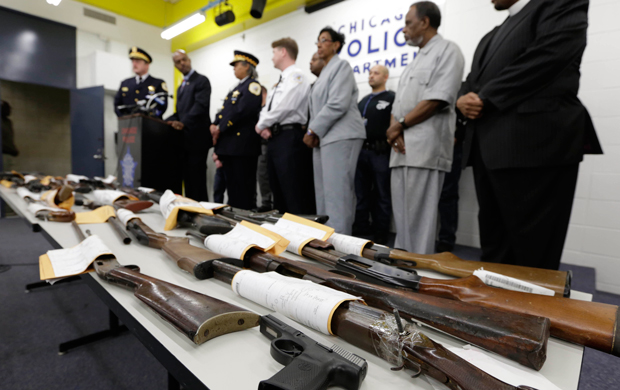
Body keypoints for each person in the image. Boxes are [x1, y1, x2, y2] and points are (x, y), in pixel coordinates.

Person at [456, 0, 602, 270]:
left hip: (536, 147)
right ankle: (493, 311)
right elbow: (470, 81)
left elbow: (548, 58)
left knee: (534, 257)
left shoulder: (561, 4)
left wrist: (486, 98)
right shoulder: (491, 36)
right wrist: (461, 100)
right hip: (489, 151)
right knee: (494, 252)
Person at [386, 2, 464, 254]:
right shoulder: (414, 61)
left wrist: (399, 126)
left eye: (408, 23)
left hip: (426, 150)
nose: (404, 29)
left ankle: (417, 277)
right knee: (402, 222)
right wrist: (394, 129)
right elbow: (398, 104)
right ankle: (400, 268)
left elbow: (437, 99)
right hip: (401, 149)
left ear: (425, 22)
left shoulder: (448, 51)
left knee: (420, 225)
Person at [306, 28, 366, 234]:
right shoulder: (325, 72)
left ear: (336, 45)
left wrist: (313, 130)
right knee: (324, 194)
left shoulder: (341, 66)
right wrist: (314, 132)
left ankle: (341, 244)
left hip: (342, 135)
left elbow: (338, 104)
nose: (319, 44)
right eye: (318, 41)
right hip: (325, 137)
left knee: (338, 194)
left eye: (324, 40)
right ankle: (327, 240)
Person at [256, 38, 315, 215]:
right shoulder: (279, 82)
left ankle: (300, 237)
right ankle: (284, 236)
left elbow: (286, 106)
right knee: (278, 191)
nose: (272, 57)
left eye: (274, 52)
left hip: (290, 138)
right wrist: (265, 125)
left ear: (283, 52)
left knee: (293, 191)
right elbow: (267, 108)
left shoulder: (297, 76)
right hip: (275, 138)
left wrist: (261, 125)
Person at [211, 51, 263, 210]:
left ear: (247, 66)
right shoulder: (236, 88)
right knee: (233, 190)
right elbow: (224, 110)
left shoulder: (253, 86)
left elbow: (241, 111)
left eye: (236, 65)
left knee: (243, 190)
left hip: (242, 148)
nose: (234, 68)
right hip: (229, 147)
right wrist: (214, 124)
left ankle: (245, 222)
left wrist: (220, 127)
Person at [353, 65, 395, 244]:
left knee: (382, 194)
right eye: (370, 73)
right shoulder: (363, 101)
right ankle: (361, 227)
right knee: (361, 193)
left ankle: (381, 233)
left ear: (385, 77)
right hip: (361, 151)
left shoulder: (391, 97)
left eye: (376, 73)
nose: (371, 76)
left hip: (380, 153)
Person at [165, 49, 212, 201]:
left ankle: (201, 214)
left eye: (184, 59)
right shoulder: (181, 87)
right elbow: (179, 112)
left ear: (189, 60)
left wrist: (182, 122)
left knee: (196, 182)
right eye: (178, 62)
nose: (182, 63)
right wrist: (165, 121)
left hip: (197, 140)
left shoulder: (201, 80)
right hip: (184, 142)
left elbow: (200, 106)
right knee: (187, 180)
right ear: (175, 66)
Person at [436, 109, 466, 253]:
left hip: (452, 146)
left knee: (447, 194)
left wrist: (458, 136)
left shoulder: (462, 92)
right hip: (430, 144)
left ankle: (446, 239)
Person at [114, 47, 168, 118]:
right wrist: (125, 118)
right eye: (133, 61)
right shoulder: (125, 83)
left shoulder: (158, 83)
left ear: (147, 65)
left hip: (150, 125)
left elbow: (162, 106)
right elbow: (117, 106)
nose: (134, 64)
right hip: (127, 125)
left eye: (138, 61)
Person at [256, 85, 273, 212]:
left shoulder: (270, 108)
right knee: (262, 176)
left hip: (269, 144)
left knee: (269, 175)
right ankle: (266, 203)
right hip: (260, 145)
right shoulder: (258, 109)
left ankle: (270, 202)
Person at [1, 101, 19, 170]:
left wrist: (12, 148)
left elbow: (9, 138)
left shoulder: (8, 122)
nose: (9, 110)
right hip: (4, 153)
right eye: (6, 108)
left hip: (9, 153)